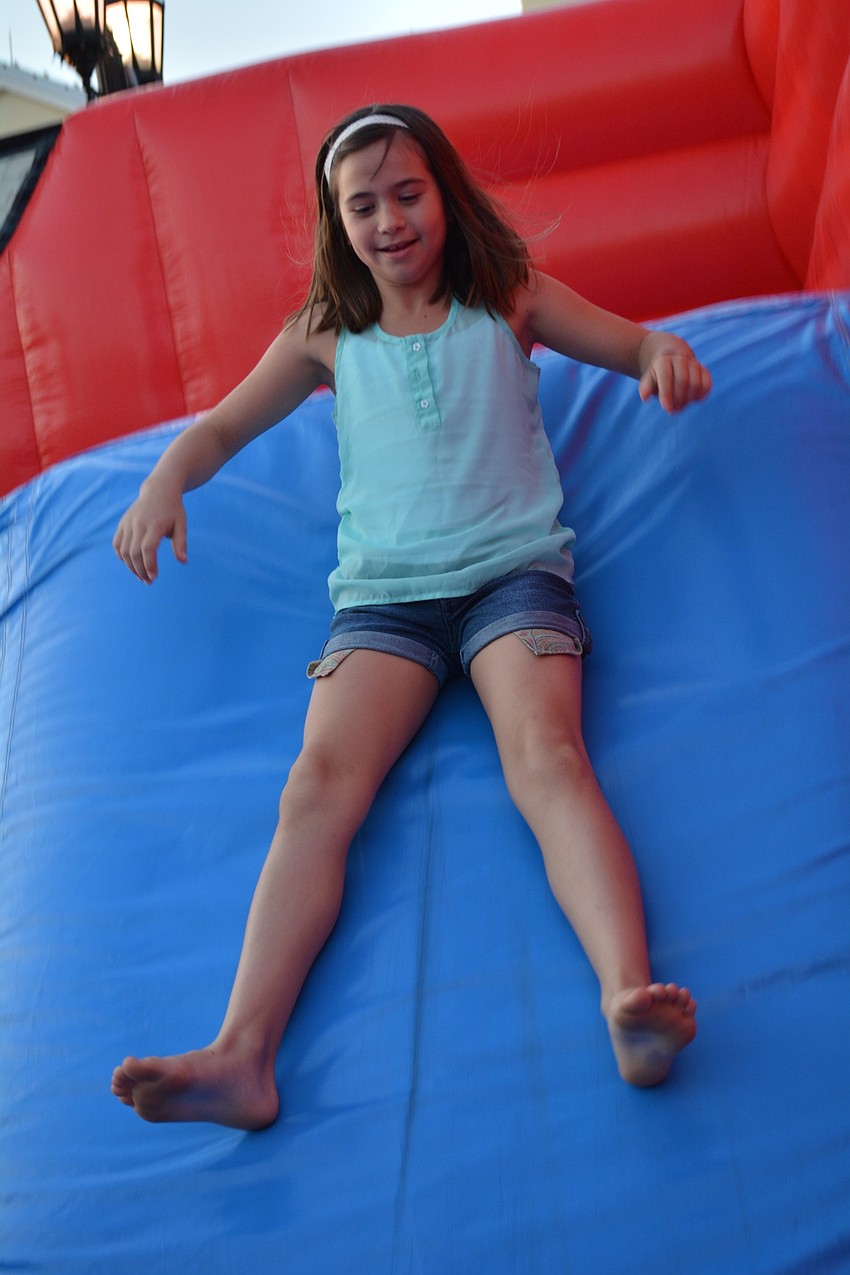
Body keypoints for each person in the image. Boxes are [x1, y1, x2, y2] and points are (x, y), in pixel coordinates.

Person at [111, 104, 706, 1130]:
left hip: (512, 576)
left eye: (407, 194)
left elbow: (633, 341)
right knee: (316, 787)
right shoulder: (324, 333)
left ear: (446, 196)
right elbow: (219, 427)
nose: (387, 220)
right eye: (362, 206)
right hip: (385, 600)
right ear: (336, 222)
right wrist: (165, 480)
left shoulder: (507, 295)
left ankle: (628, 999)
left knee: (547, 757)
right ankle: (242, 1054)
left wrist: (661, 357)